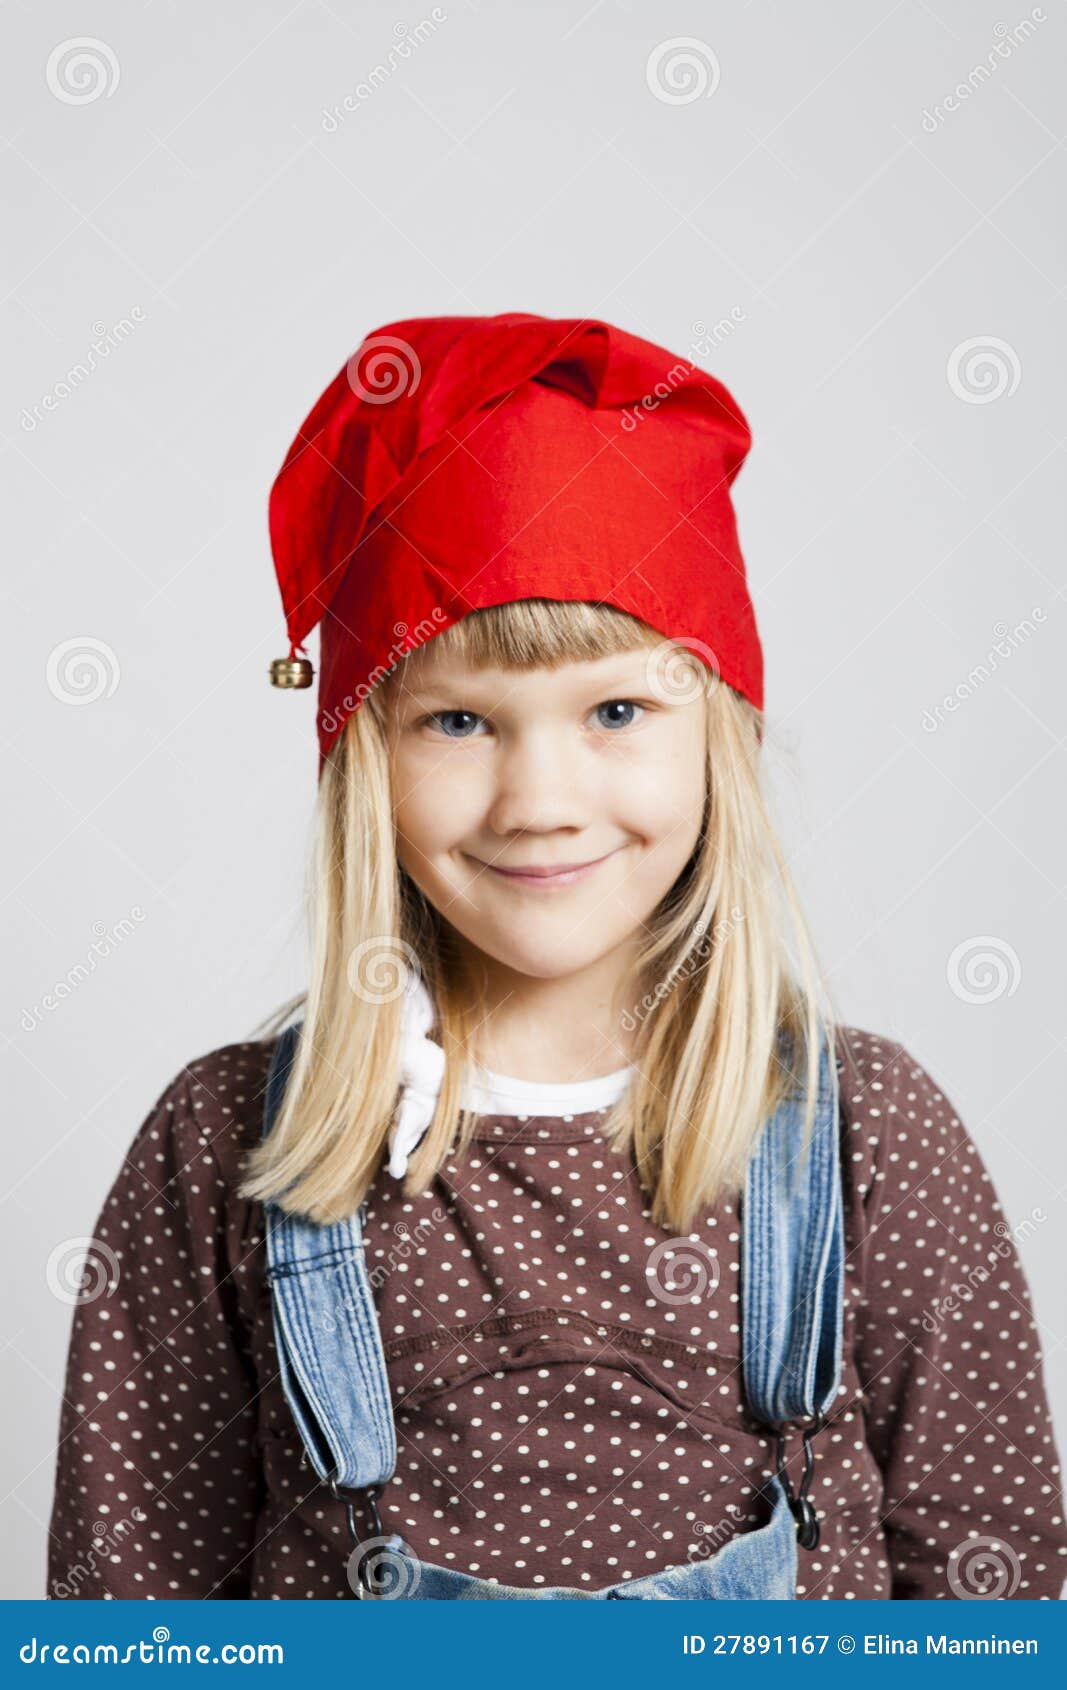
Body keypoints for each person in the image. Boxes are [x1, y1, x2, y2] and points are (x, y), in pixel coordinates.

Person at [47, 313, 1066, 1600]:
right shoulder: (224, 1149)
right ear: (365, 758)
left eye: (617, 711)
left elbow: (1000, 1599)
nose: (539, 798)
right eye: (458, 719)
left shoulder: (866, 1132)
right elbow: (128, 1621)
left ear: (721, 738)